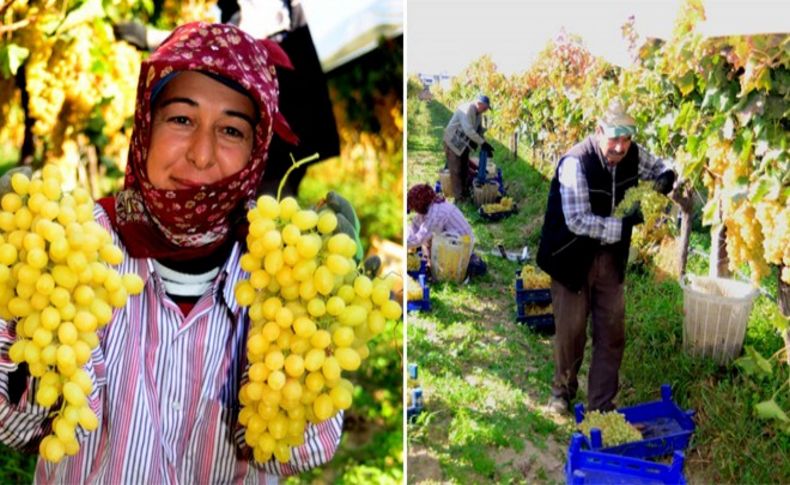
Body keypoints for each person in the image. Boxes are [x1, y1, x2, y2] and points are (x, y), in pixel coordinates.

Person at [0, 23, 343, 482]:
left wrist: (311, 320)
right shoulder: (76, 250)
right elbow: (18, 426)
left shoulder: (282, 274)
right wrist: (24, 289)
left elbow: (293, 452)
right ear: (146, 124)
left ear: (257, 151)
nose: (201, 155)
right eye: (181, 119)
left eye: (231, 130)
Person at [113, 0, 340, 197]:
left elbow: (241, 37)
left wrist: (151, 38)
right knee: (272, 189)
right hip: (289, 96)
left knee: (270, 193)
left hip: (285, 98)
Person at [536, 100, 676, 414]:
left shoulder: (632, 154)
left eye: (626, 139)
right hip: (571, 257)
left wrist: (666, 176)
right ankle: (562, 392)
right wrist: (623, 225)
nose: (620, 147)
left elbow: (660, 166)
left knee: (612, 331)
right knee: (571, 330)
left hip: (610, 260)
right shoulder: (576, 162)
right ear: (599, 131)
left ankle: (601, 403)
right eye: (614, 138)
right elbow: (578, 221)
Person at [406, 184, 486, 279]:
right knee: (423, 243)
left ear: (420, 204)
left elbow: (419, 239)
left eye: (414, 208)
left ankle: (467, 263)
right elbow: (416, 224)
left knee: (426, 241)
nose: (415, 211)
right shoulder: (432, 205)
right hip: (452, 240)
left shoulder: (436, 213)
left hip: (461, 245)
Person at [442, 95, 494, 201]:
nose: (485, 111)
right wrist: (482, 143)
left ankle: (465, 193)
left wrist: (485, 145)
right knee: (456, 170)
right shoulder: (467, 109)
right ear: (479, 103)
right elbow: (469, 130)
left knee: (465, 168)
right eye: (485, 108)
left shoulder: (478, 113)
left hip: (462, 143)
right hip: (452, 142)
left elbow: (478, 130)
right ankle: (459, 198)